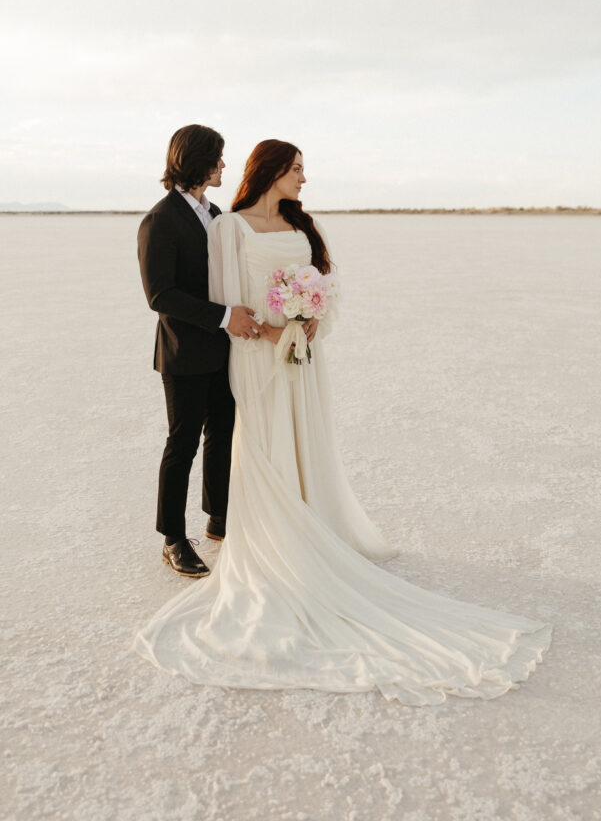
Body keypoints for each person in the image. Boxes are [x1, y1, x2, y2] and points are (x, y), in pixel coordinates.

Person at [133, 140, 552, 704]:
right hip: (224, 350)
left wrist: (310, 317)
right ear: (271, 171)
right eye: (297, 168)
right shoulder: (185, 221)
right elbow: (193, 294)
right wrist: (266, 328)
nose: (305, 177)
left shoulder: (233, 216)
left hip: (295, 354)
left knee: (255, 439)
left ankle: (231, 520)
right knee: (194, 438)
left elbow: (317, 283)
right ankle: (174, 535)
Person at [137, 124, 262, 578]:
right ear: (199, 162)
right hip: (183, 352)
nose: (225, 165)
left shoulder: (218, 215)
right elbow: (160, 295)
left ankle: (219, 518)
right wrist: (226, 316)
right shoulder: (160, 220)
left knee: (223, 434)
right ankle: (172, 538)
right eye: (219, 157)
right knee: (182, 442)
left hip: (222, 350)